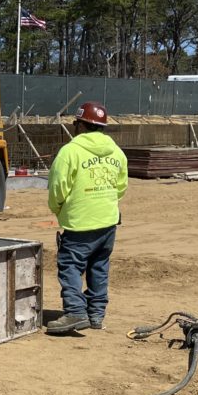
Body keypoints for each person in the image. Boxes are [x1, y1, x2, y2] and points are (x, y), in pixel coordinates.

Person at [45, 101, 128, 334]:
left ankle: (75, 312)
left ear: (80, 125)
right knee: (99, 267)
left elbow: (57, 188)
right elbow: (121, 186)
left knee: (70, 265)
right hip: (108, 221)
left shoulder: (70, 152)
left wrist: (59, 209)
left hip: (80, 222)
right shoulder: (116, 152)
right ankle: (96, 314)